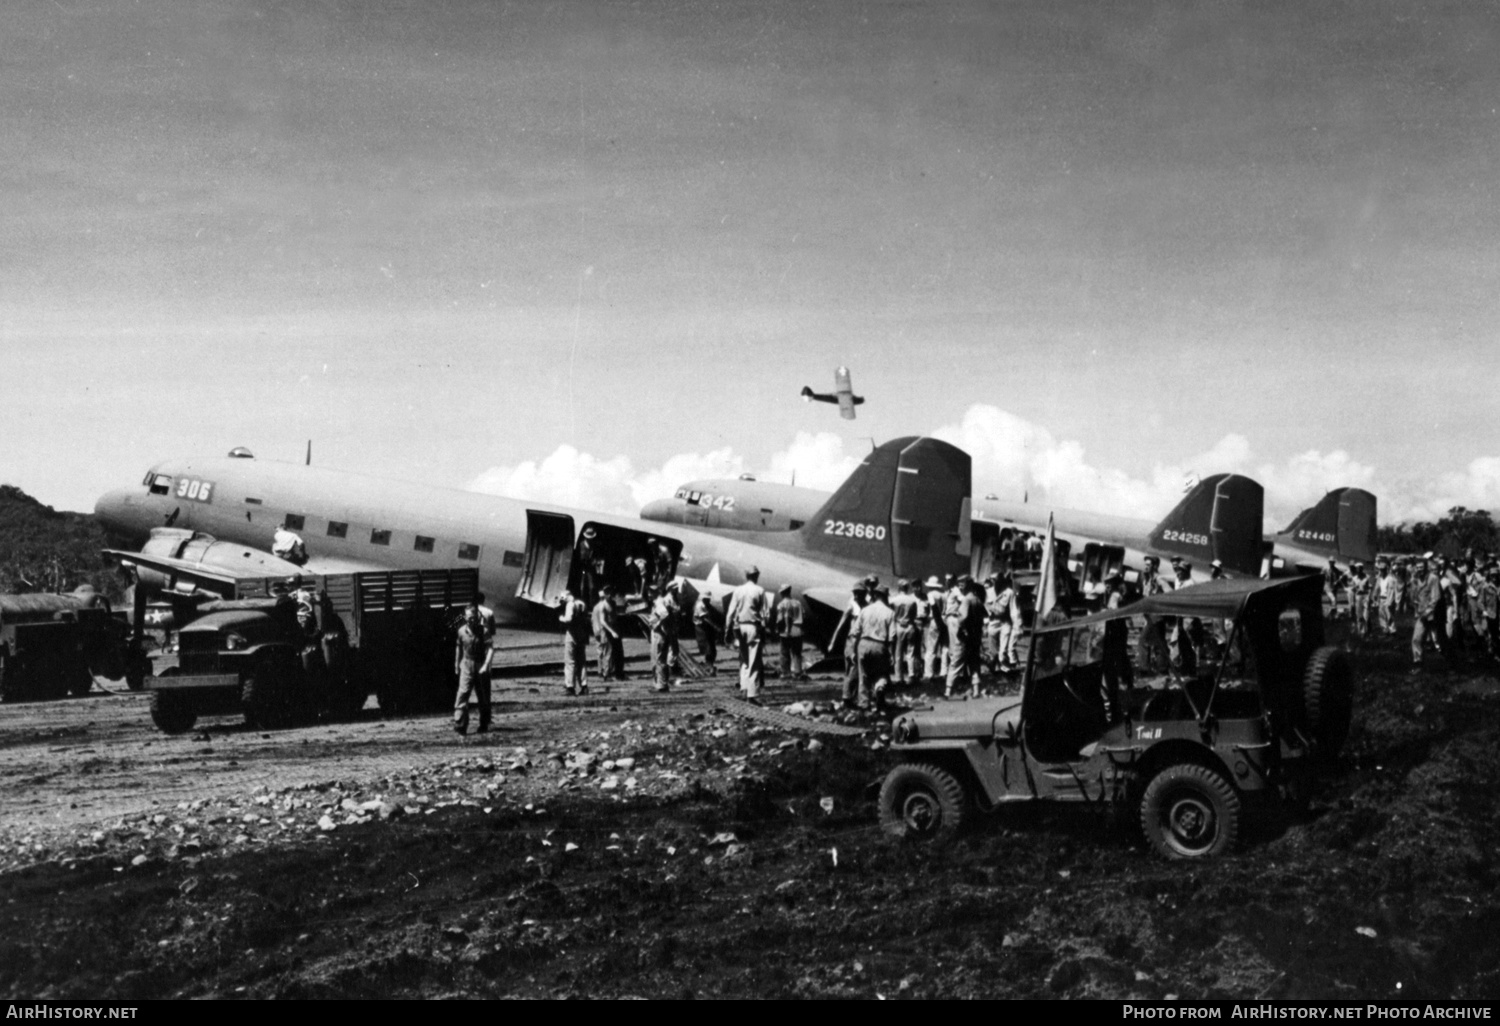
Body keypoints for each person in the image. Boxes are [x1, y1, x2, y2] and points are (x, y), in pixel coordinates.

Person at [724, 566, 771, 700]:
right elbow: (766, 614)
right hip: (752, 627)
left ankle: (744, 689)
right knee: (754, 661)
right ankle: (752, 694)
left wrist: (727, 631)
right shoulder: (760, 591)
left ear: (746, 576)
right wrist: (763, 628)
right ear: (756, 576)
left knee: (744, 660)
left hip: (739, 627)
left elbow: (730, 612)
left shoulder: (738, 590)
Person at [452, 603, 492, 735]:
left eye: (473, 617)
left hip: (480, 664)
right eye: (469, 617)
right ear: (465, 617)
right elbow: (459, 647)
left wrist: (486, 665)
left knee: (483, 697)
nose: (471, 620)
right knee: (462, 694)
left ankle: (484, 723)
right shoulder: (461, 631)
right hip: (467, 664)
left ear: (477, 616)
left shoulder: (483, 631)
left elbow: (490, 649)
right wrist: (457, 664)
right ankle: (460, 724)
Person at [855, 586, 896, 708]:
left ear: (875, 595)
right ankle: (879, 688)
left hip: (864, 643)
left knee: (863, 675)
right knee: (882, 672)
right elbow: (892, 636)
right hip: (880, 645)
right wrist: (891, 653)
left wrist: (854, 648)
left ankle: (863, 703)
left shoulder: (865, 610)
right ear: (885, 597)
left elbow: (856, 630)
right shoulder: (890, 613)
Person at [1100, 570, 1132, 722]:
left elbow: (1116, 613)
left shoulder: (1116, 596)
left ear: (1113, 584)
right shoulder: (1111, 595)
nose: (1106, 586)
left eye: (1108, 583)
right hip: (1114, 630)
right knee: (1118, 657)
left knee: (1117, 657)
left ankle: (1123, 683)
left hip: (1116, 630)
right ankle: (1122, 682)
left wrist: (1106, 612)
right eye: (1105, 583)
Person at [831, 583, 869, 706]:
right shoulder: (852, 606)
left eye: (859, 593)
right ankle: (847, 697)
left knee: (860, 670)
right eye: (855, 593)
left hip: (862, 640)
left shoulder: (867, 607)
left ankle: (854, 697)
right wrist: (833, 642)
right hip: (852, 641)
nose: (856, 596)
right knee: (851, 668)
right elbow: (840, 625)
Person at [1135, 556, 1170, 674]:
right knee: (1158, 642)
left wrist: (1159, 601)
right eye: (1145, 564)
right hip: (1149, 616)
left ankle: (1145, 668)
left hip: (1157, 616)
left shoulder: (1159, 579)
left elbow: (1169, 592)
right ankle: (1162, 667)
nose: (1146, 567)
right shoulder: (1146, 579)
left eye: (1148, 565)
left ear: (1155, 566)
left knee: (1143, 641)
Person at [1410, 558, 1446, 670]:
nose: (1420, 569)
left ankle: (1451, 663)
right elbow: (1414, 597)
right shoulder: (1416, 579)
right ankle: (1418, 663)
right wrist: (1417, 608)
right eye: (1418, 567)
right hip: (1422, 615)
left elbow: (1436, 597)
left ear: (1426, 567)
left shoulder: (1433, 579)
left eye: (1422, 567)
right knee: (1416, 639)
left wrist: (1428, 611)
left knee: (1441, 640)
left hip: (1435, 614)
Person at [944, 574, 976, 698]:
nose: (961, 584)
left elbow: (963, 603)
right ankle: (954, 685)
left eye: (963, 583)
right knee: (956, 650)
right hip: (953, 620)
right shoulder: (955, 592)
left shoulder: (958, 592)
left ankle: (956, 683)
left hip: (954, 620)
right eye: (960, 582)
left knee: (957, 651)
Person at [647, 581, 681, 693]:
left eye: (651, 592)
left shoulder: (659, 602)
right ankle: (661, 684)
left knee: (659, 660)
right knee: (660, 659)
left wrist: (656, 624)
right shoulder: (659, 602)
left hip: (659, 634)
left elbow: (665, 614)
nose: (649, 594)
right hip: (662, 633)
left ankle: (661, 686)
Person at [558, 588, 591, 695]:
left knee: (570, 662)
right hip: (582, 634)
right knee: (581, 662)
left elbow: (569, 619)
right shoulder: (581, 604)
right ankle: (584, 685)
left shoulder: (570, 605)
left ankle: (570, 687)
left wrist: (561, 618)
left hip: (572, 635)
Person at [987, 572, 1021, 672]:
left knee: (1003, 651)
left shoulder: (1009, 593)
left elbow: (1014, 611)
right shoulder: (988, 592)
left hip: (1005, 622)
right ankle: (996, 670)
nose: (994, 582)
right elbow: (985, 609)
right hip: (993, 622)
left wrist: (1017, 626)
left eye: (996, 579)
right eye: (992, 580)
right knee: (993, 652)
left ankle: (1007, 671)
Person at [889, 578, 920, 686]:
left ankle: (899, 678)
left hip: (898, 626)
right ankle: (911, 675)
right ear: (907, 588)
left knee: (898, 653)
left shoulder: (893, 600)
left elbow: (891, 614)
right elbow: (914, 614)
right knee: (910, 652)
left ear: (899, 587)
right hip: (910, 625)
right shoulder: (912, 601)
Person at [774, 585, 805, 681]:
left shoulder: (781, 604)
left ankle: (785, 673)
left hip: (786, 631)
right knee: (797, 653)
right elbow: (803, 614)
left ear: (782, 593)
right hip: (797, 630)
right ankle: (798, 672)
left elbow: (780, 619)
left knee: (784, 652)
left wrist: (777, 629)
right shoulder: (798, 603)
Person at [592, 586, 623, 681]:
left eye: (611, 593)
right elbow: (602, 621)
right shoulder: (601, 606)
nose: (609, 595)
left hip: (612, 630)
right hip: (605, 631)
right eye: (607, 593)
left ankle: (616, 672)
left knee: (615, 652)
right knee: (606, 653)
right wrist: (612, 631)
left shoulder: (612, 604)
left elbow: (614, 617)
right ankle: (605, 674)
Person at [920, 577, 946, 682]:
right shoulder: (943, 595)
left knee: (930, 648)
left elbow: (930, 607)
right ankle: (944, 671)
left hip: (934, 620)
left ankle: (929, 673)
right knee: (944, 648)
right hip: (944, 621)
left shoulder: (930, 595)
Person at [693, 590, 720, 676]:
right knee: (707, 647)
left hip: (707, 627)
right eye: (706, 599)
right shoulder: (700, 605)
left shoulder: (707, 605)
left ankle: (710, 665)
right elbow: (705, 619)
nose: (708, 600)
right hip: (701, 627)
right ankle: (709, 666)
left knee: (712, 648)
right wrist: (715, 626)